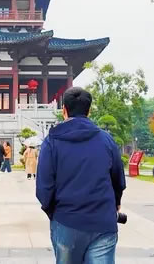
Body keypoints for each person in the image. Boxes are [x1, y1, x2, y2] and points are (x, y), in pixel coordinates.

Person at [36, 87, 126, 264]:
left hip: (66, 220)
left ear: (64, 110)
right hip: (103, 221)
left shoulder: (52, 141)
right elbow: (118, 179)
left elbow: (44, 187)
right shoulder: (106, 140)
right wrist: (114, 204)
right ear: (89, 110)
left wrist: (54, 212)